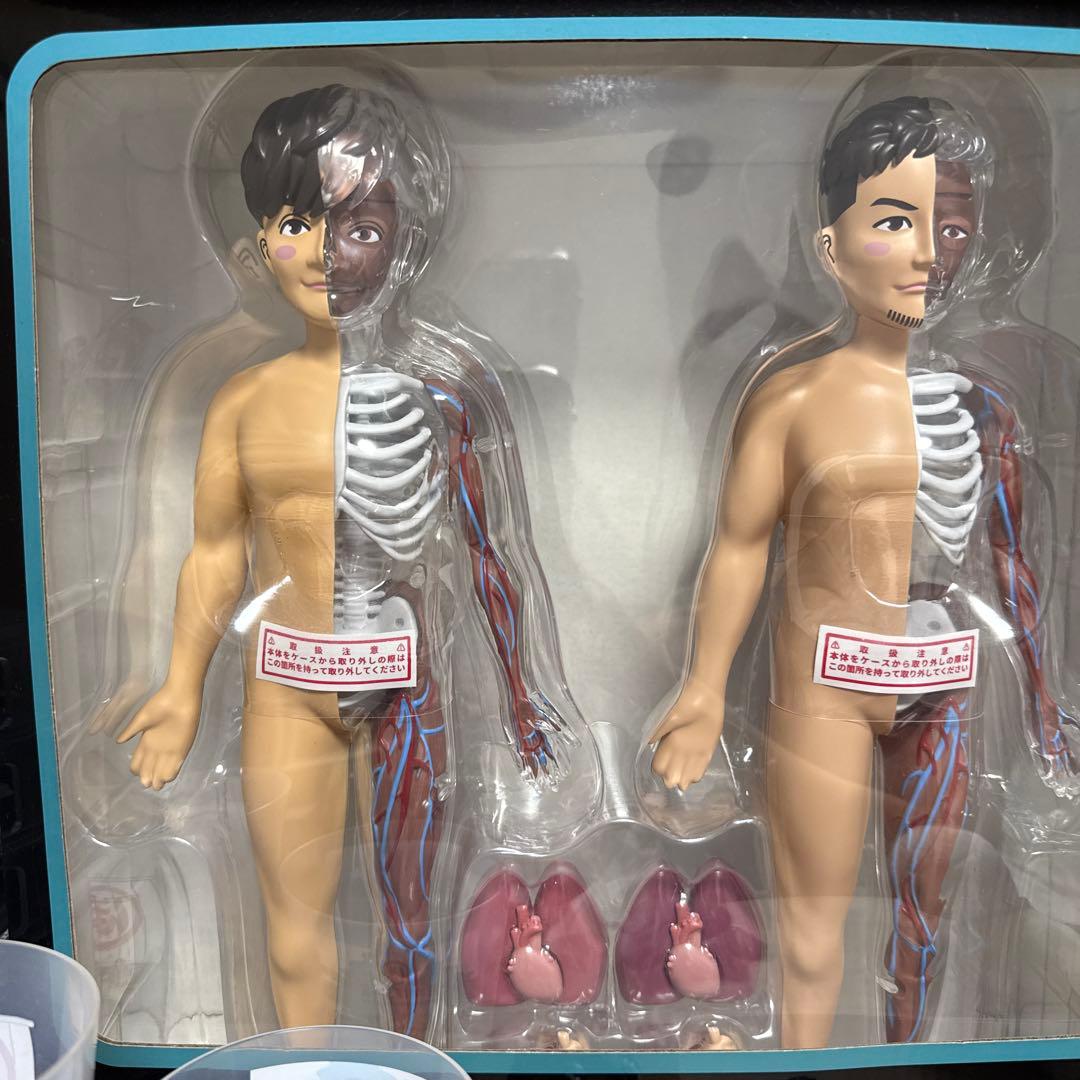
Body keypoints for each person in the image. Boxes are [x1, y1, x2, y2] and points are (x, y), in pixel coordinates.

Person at [109, 82, 590, 1040]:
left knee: (413, 924)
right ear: (260, 241)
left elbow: (493, 553)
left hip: (406, 683)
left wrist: (525, 696)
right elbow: (216, 554)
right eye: (300, 223)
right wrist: (178, 688)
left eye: (360, 227)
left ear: (404, 240)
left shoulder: (447, 393)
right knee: (293, 926)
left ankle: (414, 1058)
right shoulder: (243, 401)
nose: (329, 253)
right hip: (284, 683)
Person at [649, 95, 1077, 1047]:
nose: (927, 254)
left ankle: (911, 1060)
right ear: (831, 246)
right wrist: (704, 690)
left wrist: (1046, 708)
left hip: (944, 683)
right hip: (822, 688)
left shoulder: (986, 409)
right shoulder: (792, 397)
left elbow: (1014, 561)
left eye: (950, 227)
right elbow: (740, 545)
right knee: (811, 935)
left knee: (927, 929)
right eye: (894, 222)